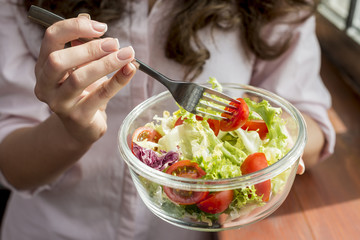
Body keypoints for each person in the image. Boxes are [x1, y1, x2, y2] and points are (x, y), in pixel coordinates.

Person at [0, 0, 335, 239]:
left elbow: (312, 121)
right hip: (52, 228)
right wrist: (71, 132)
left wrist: (275, 152)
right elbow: (10, 162)